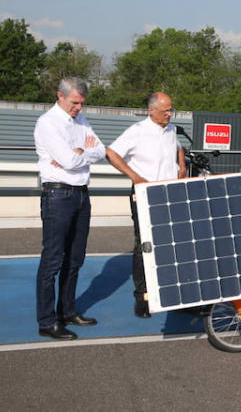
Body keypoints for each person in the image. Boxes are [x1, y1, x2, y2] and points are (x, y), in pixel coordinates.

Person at [34, 77, 106, 340]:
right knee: (53, 260)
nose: (78, 108)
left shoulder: (81, 121)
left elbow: (100, 150)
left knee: (75, 259)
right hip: (58, 195)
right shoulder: (47, 123)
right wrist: (79, 154)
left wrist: (80, 153)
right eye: (75, 102)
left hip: (80, 195)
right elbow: (68, 159)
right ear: (60, 96)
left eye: (82, 103)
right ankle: (46, 320)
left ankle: (67, 311)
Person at [106, 92, 187, 318]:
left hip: (170, 194)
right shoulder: (137, 131)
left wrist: (181, 166)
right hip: (145, 193)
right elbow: (111, 153)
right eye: (165, 111)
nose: (169, 115)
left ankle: (173, 291)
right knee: (144, 245)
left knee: (171, 243)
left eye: (171, 110)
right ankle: (142, 296)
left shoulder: (170, 130)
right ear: (151, 110)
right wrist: (135, 177)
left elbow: (179, 147)